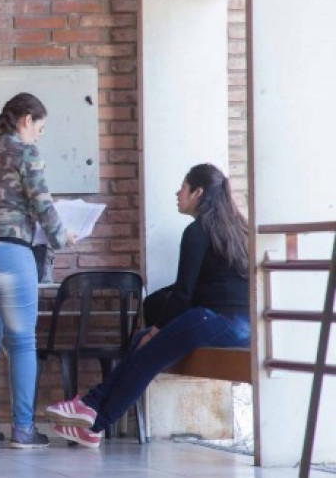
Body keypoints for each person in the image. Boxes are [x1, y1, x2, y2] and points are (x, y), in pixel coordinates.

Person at [46, 163, 250, 447]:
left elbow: (182, 294)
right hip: (242, 327)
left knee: (148, 347)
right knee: (144, 340)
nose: (177, 193)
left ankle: (93, 412)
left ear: (198, 192)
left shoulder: (198, 231)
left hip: (218, 322)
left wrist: (156, 330)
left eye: (183, 186)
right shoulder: (238, 229)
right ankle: (92, 421)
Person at [0, 92, 71, 449]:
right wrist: (64, 237)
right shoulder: (25, 152)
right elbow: (42, 205)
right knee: (21, 343)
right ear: (26, 121)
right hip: (9, 255)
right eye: (40, 127)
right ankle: (23, 429)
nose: (39, 135)